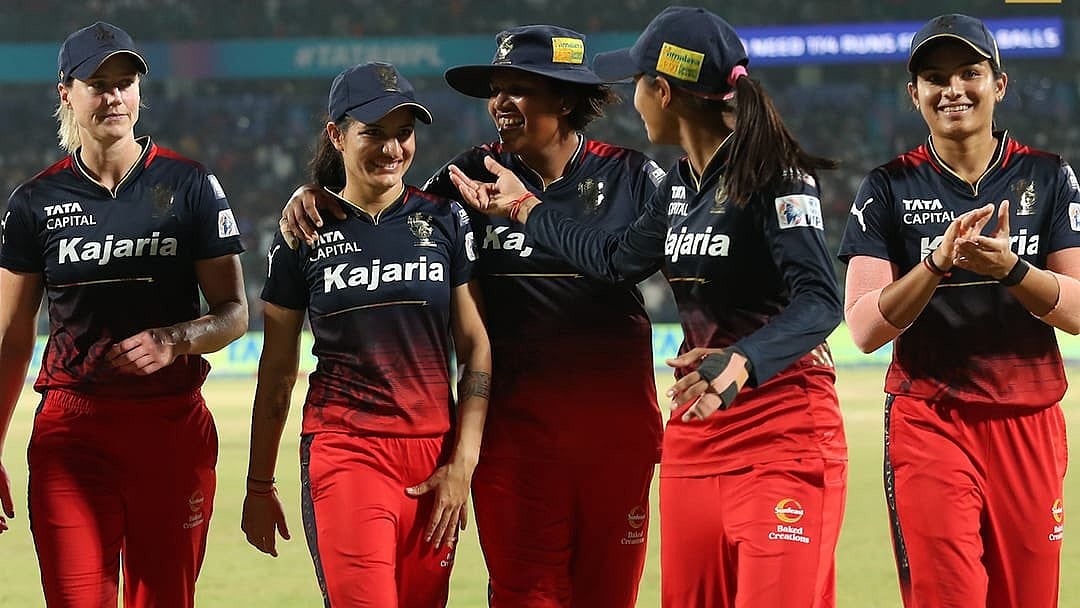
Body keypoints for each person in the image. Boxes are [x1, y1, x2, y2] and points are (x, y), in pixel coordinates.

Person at [449, 7, 848, 607]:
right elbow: (613, 259)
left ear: (662, 91)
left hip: (780, 419)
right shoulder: (680, 187)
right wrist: (527, 210)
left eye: (637, 84)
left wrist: (743, 361)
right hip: (699, 425)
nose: (631, 99)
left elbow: (821, 299)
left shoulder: (775, 176)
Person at [280, 25, 665, 607]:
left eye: (519, 89)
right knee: (522, 596)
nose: (500, 105)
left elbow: (690, 263)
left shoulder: (635, 177)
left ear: (564, 99)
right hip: (514, 439)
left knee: (608, 595)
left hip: (615, 433)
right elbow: (383, 209)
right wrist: (316, 193)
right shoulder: (468, 177)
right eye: (496, 89)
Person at [0, 21, 247, 608]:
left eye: (125, 82)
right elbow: (10, 339)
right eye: (98, 83)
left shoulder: (191, 186)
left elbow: (234, 313)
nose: (114, 96)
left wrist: (177, 338)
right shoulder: (34, 202)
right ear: (67, 93)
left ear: (140, 90)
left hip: (172, 429)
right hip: (73, 434)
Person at [838, 14, 1080, 608]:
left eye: (969, 73)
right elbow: (864, 328)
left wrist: (1012, 272)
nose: (953, 90)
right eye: (935, 77)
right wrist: (935, 265)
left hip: (1029, 421)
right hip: (932, 421)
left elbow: (1079, 310)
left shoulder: (1049, 177)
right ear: (913, 94)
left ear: (999, 84)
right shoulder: (887, 187)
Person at [241, 61, 491, 608]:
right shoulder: (303, 232)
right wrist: (259, 483)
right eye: (372, 133)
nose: (392, 148)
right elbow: (278, 370)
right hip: (347, 449)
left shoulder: (446, 221)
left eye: (403, 133)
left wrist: (463, 462)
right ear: (337, 135)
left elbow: (475, 347)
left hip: (435, 457)